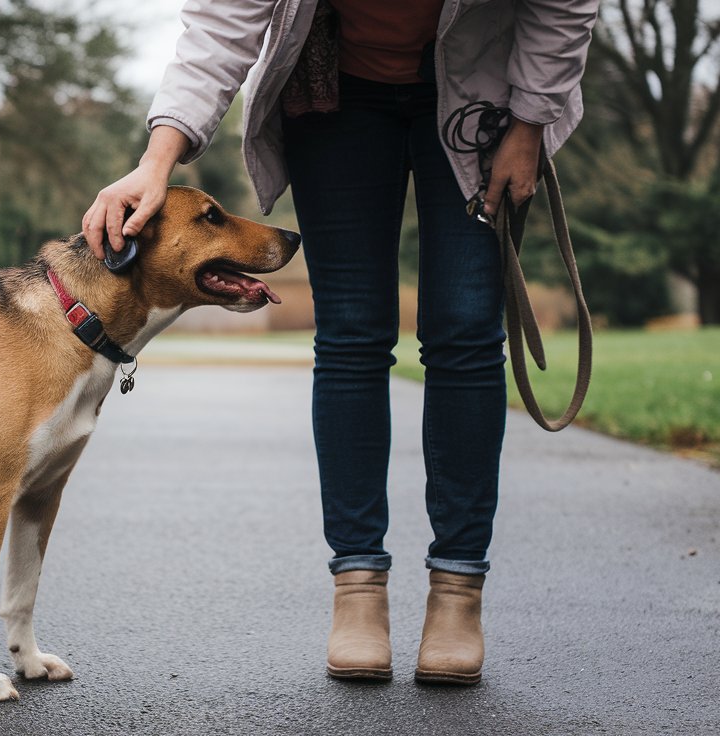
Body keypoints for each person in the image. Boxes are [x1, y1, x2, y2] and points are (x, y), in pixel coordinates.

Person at [84, 0, 598, 685]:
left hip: (487, 91)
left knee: (467, 333)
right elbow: (223, 21)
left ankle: (457, 591)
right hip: (336, 94)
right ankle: (358, 589)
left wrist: (532, 121)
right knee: (352, 335)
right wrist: (157, 158)